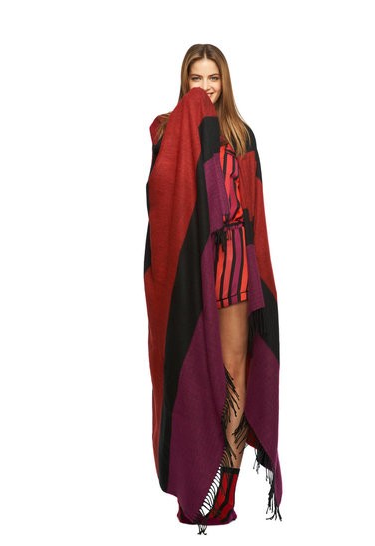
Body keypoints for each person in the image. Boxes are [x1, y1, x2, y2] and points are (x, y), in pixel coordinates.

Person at [144, 44, 282, 533]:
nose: (205, 87)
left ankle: (226, 485)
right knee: (195, 371)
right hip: (192, 267)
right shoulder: (168, 128)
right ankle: (196, 477)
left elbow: (253, 206)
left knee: (233, 371)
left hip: (235, 261)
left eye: (213, 78)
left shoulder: (240, 133)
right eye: (196, 78)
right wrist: (192, 119)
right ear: (184, 82)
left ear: (225, 82)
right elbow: (162, 197)